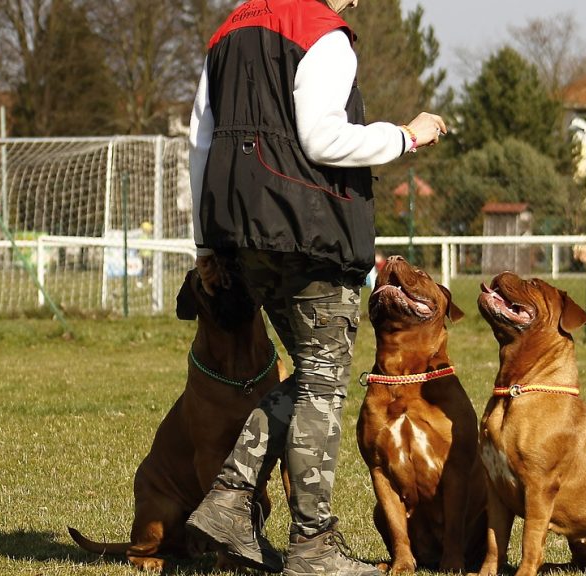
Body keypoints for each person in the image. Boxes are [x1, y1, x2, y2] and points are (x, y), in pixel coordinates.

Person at [184, 0, 447, 574]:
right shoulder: (323, 34)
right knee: (322, 387)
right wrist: (405, 136)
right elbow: (324, 140)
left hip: (242, 236)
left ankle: (229, 501)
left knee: (313, 378)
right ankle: (312, 547)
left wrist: (207, 245)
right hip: (309, 234)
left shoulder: (231, 27)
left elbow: (200, 144)